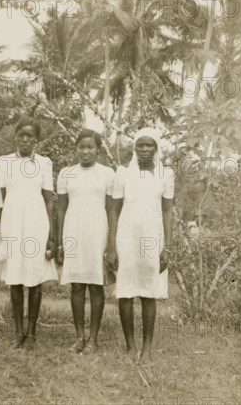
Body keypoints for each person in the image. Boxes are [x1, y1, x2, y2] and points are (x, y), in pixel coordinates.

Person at [105, 127, 174, 362]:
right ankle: (130, 345)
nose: (145, 149)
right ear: (134, 148)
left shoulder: (165, 174)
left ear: (156, 148)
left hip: (152, 238)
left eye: (149, 145)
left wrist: (167, 246)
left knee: (148, 291)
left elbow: (167, 211)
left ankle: (147, 348)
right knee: (125, 291)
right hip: (126, 236)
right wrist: (111, 246)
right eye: (140, 145)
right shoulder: (123, 173)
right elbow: (113, 211)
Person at [0, 118, 58, 349]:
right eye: (21, 134)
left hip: (36, 224)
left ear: (36, 140)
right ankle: (18, 332)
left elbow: (48, 200)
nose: (25, 139)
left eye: (30, 136)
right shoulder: (3, 162)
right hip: (12, 223)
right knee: (14, 279)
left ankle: (31, 333)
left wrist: (51, 236)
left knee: (34, 278)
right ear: (15, 137)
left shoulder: (44, 163)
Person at [56, 129, 115, 354]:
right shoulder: (66, 173)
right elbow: (60, 208)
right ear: (76, 149)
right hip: (73, 230)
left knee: (96, 285)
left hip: (98, 230)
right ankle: (79, 337)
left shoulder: (108, 174)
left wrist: (111, 243)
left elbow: (111, 210)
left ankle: (93, 338)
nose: (86, 151)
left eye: (90, 147)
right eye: (81, 147)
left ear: (98, 150)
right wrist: (60, 240)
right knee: (77, 285)